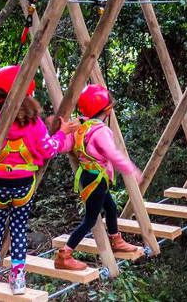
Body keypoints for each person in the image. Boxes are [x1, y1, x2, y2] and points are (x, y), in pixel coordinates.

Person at [0, 65, 78, 295]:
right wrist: (62, 133)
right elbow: (48, 151)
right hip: (23, 186)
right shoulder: (36, 126)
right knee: (19, 230)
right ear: (28, 96)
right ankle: (18, 279)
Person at [55, 84, 143, 270]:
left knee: (110, 207)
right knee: (90, 220)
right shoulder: (101, 131)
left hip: (91, 178)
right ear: (108, 110)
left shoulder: (80, 128)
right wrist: (131, 170)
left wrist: (61, 132)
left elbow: (63, 147)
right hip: (96, 180)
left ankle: (116, 240)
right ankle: (65, 254)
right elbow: (112, 153)